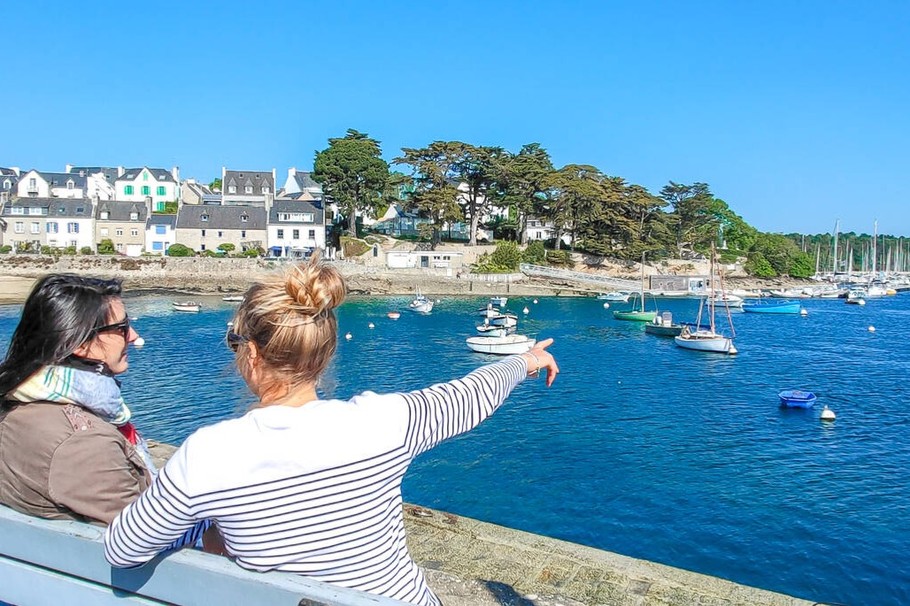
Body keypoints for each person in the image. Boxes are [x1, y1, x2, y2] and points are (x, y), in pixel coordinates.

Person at [104, 257, 559, 606]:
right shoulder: (384, 421)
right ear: (324, 354)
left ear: (252, 356)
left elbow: (124, 548)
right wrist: (524, 361)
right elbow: (469, 395)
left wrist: (211, 523)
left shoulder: (209, 454)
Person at [0, 274, 210, 551]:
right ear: (80, 343)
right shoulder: (82, 443)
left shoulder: (17, 403)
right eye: (122, 328)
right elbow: (148, 536)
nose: (135, 337)